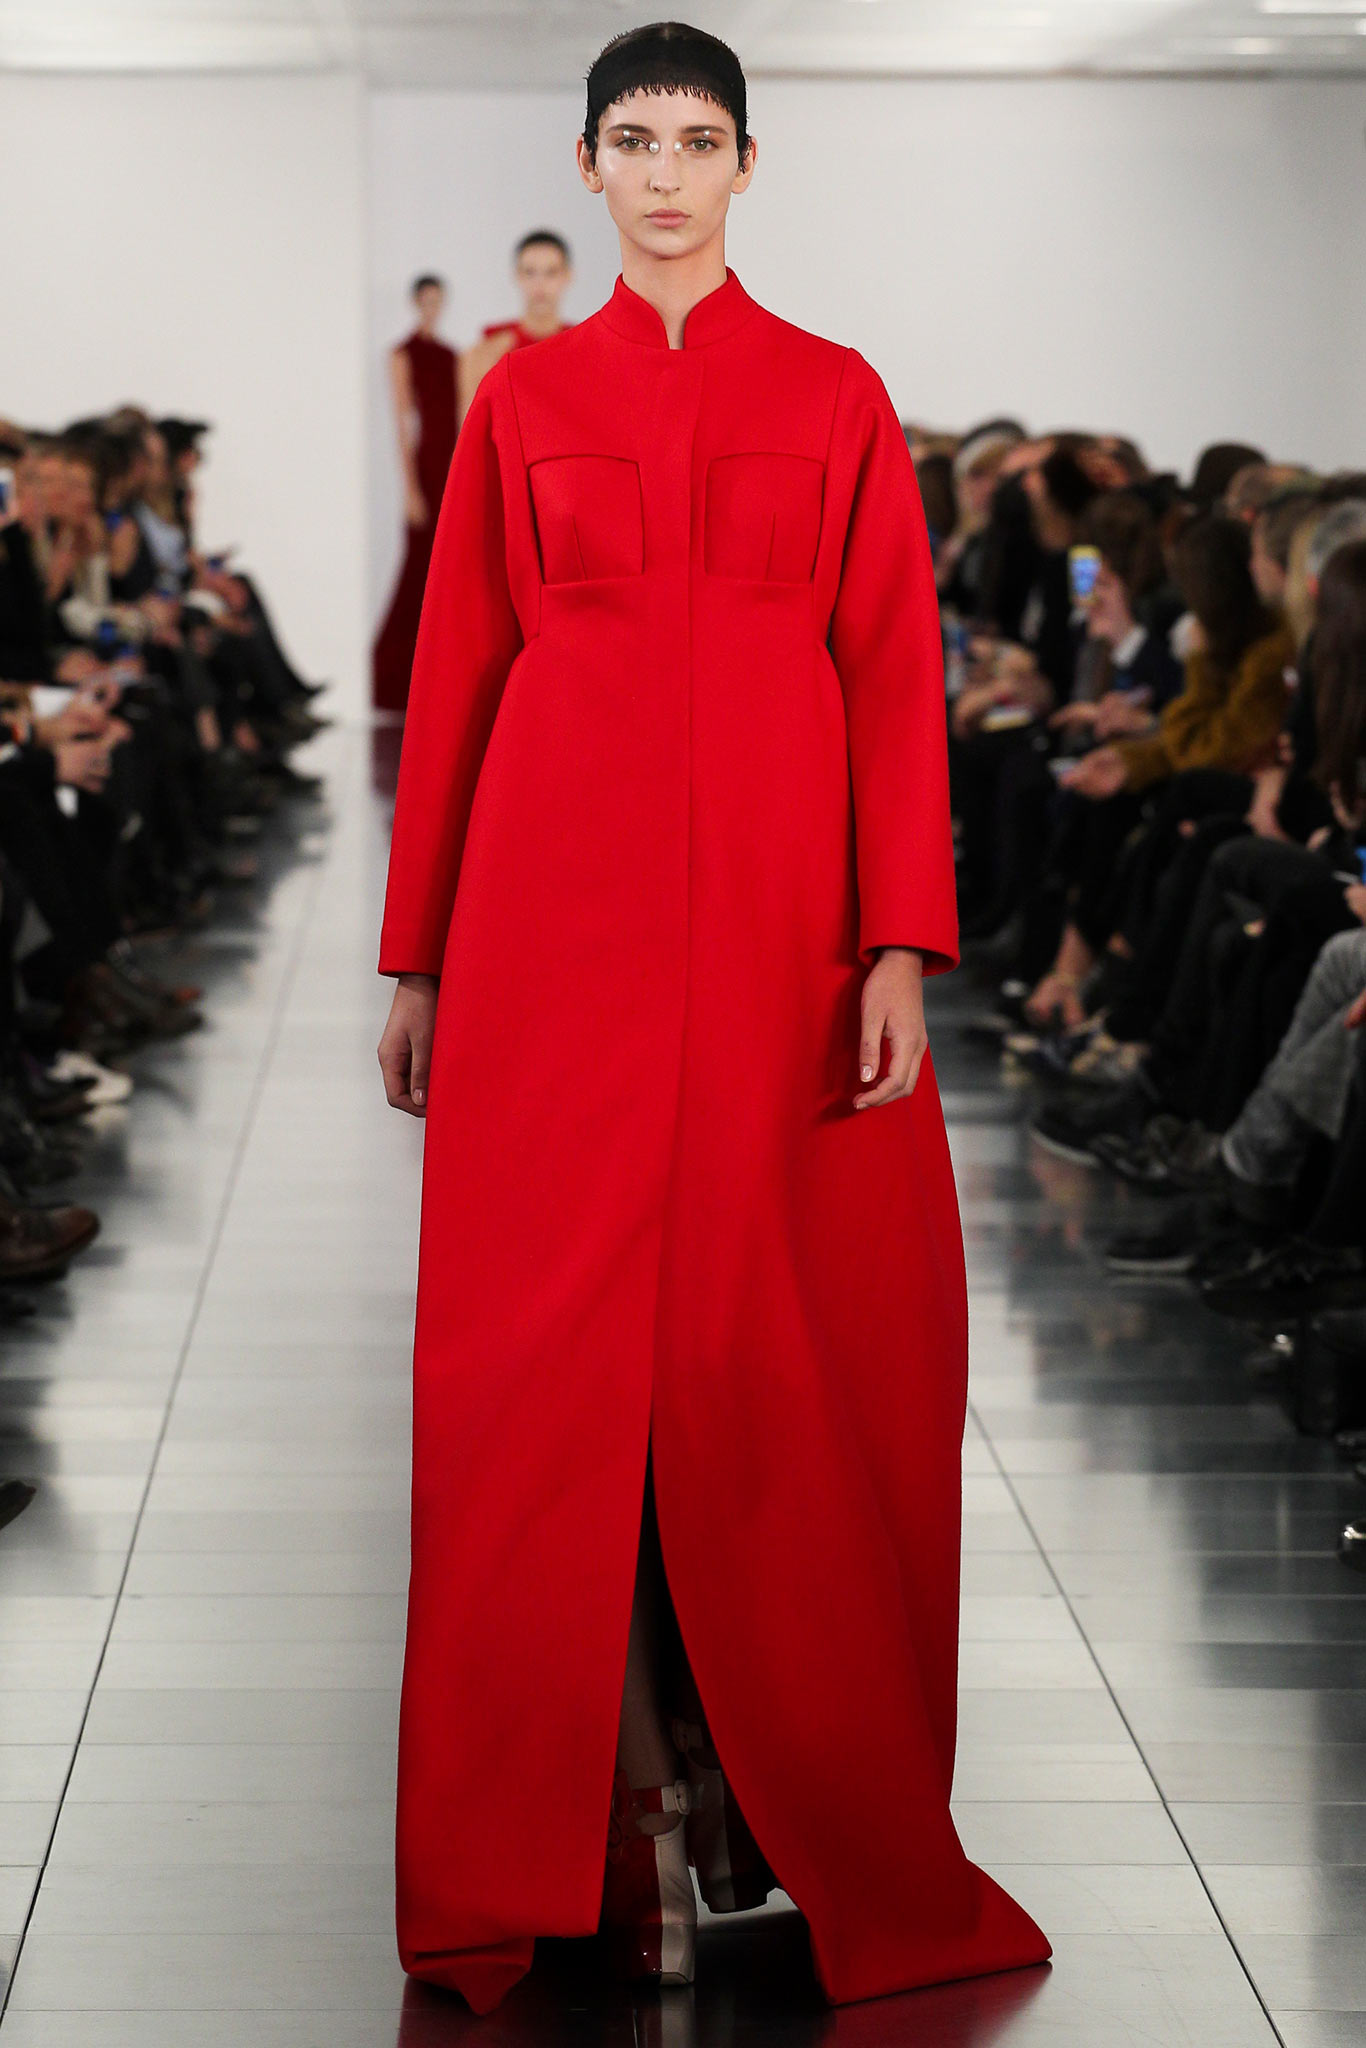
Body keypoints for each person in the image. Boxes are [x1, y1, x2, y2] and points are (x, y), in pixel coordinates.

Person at [375, 15, 1050, 2019]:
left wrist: (897, 939)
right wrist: (417, 956)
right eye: (633, 140)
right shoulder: (522, 402)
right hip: (550, 936)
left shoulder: (833, 394)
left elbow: (886, 671)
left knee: (787, 1361)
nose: (664, 173)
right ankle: (607, 1809)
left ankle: (768, 1804)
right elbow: (462, 671)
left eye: (696, 140)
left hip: (779, 938)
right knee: (539, 1377)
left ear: (747, 165)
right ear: (587, 167)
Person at [372, 274, 459, 713]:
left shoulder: (452, 355)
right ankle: (397, 678)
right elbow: (403, 424)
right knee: (418, 570)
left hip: (453, 460)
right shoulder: (402, 354)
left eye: (437, 301)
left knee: (447, 572)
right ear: (415, 303)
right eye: (425, 301)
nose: (432, 308)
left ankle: (440, 676)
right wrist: (409, 489)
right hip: (426, 468)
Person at [455, 230, 576, 426]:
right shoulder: (484, 355)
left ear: (567, 276)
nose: (540, 284)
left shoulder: (587, 350)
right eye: (530, 272)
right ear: (517, 275)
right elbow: (469, 434)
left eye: (551, 272)